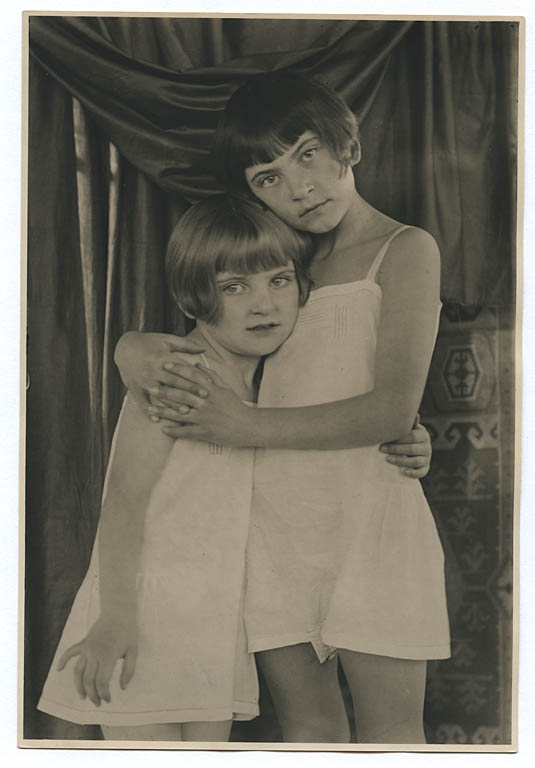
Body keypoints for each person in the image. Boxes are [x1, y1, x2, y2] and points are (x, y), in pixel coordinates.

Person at [115, 71, 450, 745]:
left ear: (347, 144)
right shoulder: (278, 266)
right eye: (268, 177)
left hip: (372, 521)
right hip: (272, 529)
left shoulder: (405, 249)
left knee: (392, 735)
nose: (298, 187)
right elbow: (211, 339)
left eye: (307, 155)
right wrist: (129, 348)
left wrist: (245, 426)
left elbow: (391, 408)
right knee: (308, 731)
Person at [37, 194, 313, 742]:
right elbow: (123, 502)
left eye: (279, 280)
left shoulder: (275, 378)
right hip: (142, 610)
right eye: (235, 287)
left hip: (213, 619)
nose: (264, 304)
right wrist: (116, 617)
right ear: (195, 296)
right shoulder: (177, 373)